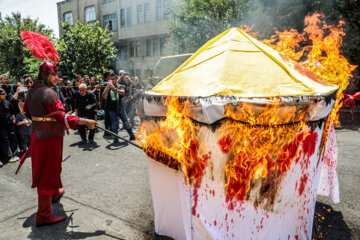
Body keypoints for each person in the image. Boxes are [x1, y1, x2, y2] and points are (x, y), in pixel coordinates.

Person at [23, 60, 97, 227]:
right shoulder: (49, 93)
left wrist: (39, 122)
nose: (57, 78)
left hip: (42, 136)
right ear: (45, 75)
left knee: (53, 167)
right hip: (48, 139)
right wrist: (84, 121)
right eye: (54, 74)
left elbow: (26, 111)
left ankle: (55, 193)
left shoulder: (32, 91)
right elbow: (62, 116)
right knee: (47, 173)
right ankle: (43, 215)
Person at [102, 72, 135, 142]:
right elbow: (104, 96)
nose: (112, 80)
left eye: (113, 79)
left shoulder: (120, 86)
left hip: (120, 107)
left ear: (116, 79)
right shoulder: (107, 87)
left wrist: (114, 89)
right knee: (115, 123)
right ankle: (115, 138)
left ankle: (132, 135)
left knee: (126, 122)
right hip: (111, 108)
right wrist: (107, 88)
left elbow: (122, 92)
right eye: (110, 79)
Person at [0, 88, 19, 165]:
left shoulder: (7, 102)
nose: (5, 95)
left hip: (10, 124)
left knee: (13, 139)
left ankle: (13, 155)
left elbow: (12, 111)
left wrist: (13, 119)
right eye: (3, 94)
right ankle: (7, 157)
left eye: (5, 93)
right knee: (5, 141)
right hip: (1, 126)